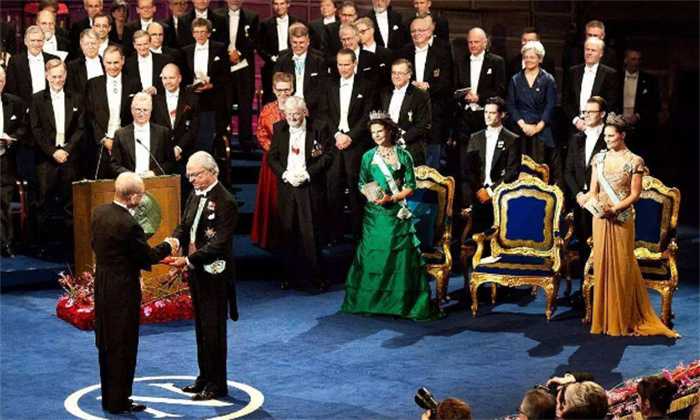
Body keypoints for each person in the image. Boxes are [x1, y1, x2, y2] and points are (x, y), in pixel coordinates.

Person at [576, 114, 678, 338]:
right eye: (605, 136)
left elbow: (635, 195)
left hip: (621, 218)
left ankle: (621, 318)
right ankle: (603, 318)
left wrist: (615, 208)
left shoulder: (634, 161)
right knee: (602, 265)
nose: (607, 139)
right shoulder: (599, 159)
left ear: (622, 135)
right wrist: (583, 198)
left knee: (621, 266)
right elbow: (593, 191)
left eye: (611, 136)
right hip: (600, 218)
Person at [91, 172, 176, 414]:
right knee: (123, 344)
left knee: (107, 342)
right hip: (123, 290)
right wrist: (169, 245)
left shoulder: (99, 212)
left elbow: (96, 246)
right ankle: (119, 401)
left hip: (103, 285)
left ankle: (110, 398)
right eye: (142, 194)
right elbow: (146, 256)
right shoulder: (129, 224)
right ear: (133, 197)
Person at [341, 111, 438, 320]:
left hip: (396, 213)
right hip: (374, 215)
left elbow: (411, 186)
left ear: (388, 131)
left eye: (380, 131)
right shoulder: (368, 156)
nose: (376, 135)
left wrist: (392, 198)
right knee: (374, 257)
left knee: (398, 259)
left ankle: (399, 303)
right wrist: (371, 195)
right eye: (373, 132)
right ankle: (372, 302)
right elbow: (361, 182)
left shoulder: (403, 155)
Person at [166, 151, 238, 401]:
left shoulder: (226, 201)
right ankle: (204, 376)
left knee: (213, 329)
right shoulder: (194, 194)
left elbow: (219, 244)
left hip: (215, 274)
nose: (191, 180)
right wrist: (173, 241)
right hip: (197, 272)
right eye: (189, 175)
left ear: (211, 172)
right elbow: (184, 225)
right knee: (201, 329)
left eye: (195, 175)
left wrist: (187, 260)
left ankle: (217, 383)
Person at [267, 96, 334, 291]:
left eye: (296, 114)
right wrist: (285, 174)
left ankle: (316, 278)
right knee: (288, 231)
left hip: (310, 186)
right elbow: (272, 157)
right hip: (287, 186)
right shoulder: (279, 128)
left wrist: (308, 174)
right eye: (289, 114)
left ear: (304, 112)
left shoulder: (319, 127)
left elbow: (328, 155)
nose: (292, 118)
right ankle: (289, 277)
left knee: (310, 232)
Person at [30, 59, 83, 243]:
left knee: (70, 203)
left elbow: (81, 128)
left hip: (69, 157)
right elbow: (36, 129)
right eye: (53, 77)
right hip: (46, 158)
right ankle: (43, 245)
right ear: (47, 76)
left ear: (66, 75)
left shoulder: (76, 98)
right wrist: (53, 151)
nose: (57, 80)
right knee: (43, 202)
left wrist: (66, 150)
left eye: (60, 76)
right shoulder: (37, 99)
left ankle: (70, 245)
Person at [324, 48, 374, 244]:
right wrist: (337, 134)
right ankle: (334, 235)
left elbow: (367, 116)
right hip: (335, 143)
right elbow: (325, 113)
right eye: (340, 64)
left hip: (356, 144)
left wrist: (350, 137)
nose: (343, 68)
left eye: (347, 64)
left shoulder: (367, 85)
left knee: (356, 191)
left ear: (355, 64)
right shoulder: (329, 84)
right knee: (333, 189)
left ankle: (358, 235)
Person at [460, 96, 520, 234]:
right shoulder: (475, 137)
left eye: (492, 113)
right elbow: (468, 169)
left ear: (502, 115)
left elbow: (512, 172)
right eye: (486, 112)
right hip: (478, 195)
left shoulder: (512, 139)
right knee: (477, 235)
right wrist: (479, 190)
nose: (487, 116)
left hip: (501, 195)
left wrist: (491, 191)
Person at [399, 15, 453, 169]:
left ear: (430, 32)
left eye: (421, 30)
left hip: (434, 114)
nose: (417, 34)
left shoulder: (441, 53)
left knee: (432, 162)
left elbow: (447, 82)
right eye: (413, 31)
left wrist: (428, 86)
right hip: (409, 115)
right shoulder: (404, 52)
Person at [564, 96, 607, 278]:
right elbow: (568, 171)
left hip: (601, 200)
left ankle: (601, 284)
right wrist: (579, 195)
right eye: (584, 112)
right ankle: (585, 285)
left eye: (591, 112)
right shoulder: (576, 139)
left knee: (600, 243)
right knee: (583, 242)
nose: (586, 116)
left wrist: (592, 194)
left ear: (602, 114)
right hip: (581, 201)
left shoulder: (608, 138)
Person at [506, 40, 559, 182]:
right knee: (516, 167)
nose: (528, 60)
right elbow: (511, 104)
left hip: (541, 129)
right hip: (519, 129)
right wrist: (523, 125)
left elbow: (550, 105)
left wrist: (538, 127)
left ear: (540, 59)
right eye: (526, 57)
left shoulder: (548, 79)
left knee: (539, 168)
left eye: (532, 57)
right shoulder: (515, 79)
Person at [85, 45, 140, 179]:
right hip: (100, 146)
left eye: (116, 62)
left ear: (123, 61)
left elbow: (137, 114)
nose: (112, 66)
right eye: (109, 63)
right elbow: (89, 116)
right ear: (103, 62)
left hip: (127, 143)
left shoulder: (134, 83)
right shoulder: (93, 84)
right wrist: (104, 139)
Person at [250, 71, 291, 250]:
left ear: (292, 89)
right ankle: (270, 238)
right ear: (274, 90)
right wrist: (275, 152)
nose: (283, 94)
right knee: (271, 200)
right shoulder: (267, 109)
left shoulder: (299, 106)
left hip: (294, 160)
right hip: (272, 162)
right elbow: (261, 134)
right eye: (280, 90)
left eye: (287, 90)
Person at [217, 0, 259, 153]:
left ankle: (246, 142)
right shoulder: (216, 15)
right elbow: (215, 39)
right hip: (224, 68)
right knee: (224, 105)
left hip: (244, 68)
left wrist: (239, 53)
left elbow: (254, 40)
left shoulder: (252, 17)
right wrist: (227, 55)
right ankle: (222, 142)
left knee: (245, 106)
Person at [379, 58, 431, 166]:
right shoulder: (384, 93)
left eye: (400, 73)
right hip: (386, 149)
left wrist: (401, 139)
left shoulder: (420, 95)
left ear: (409, 75)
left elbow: (423, 124)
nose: (396, 76)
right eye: (394, 73)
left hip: (411, 149)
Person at [110, 91, 176, 176]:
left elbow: (170, 162)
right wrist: (130, 175)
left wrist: (154, 173)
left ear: (151, 111)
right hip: (130, 181)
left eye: (145, 110)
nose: (142, 114)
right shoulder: (120, 134)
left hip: (155, 180)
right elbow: (114, 164)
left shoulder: (162, 132)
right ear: (132, 110)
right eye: (138, 110)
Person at [563, 37, 619, 133]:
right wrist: (576, 120)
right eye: (587, 49)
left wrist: (596, 121)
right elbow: (566, 100)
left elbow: (611, 103)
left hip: (599, 127)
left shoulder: (609, 74)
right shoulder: (573, 72)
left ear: (601, 54)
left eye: (593, 50)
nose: (589, 53)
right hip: (576, 126)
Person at [0, 66, 28, 258]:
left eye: (1, 81)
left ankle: (5, 244)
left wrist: (11, 138)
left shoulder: (14, 102)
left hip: (5, 160)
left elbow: (24, 127)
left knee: (4, 202)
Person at [273, 23, 329, 117]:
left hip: (313, 109)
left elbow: (322, 88)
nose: (298, 46)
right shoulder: (282, 59)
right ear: (290, 42)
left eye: (301, 42)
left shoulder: (319, 60)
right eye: (295, 42)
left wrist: (304, 107)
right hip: (287, 108)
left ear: (308, 42)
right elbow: (278, 85)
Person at [619, 47, 660, 161]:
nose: (636, 62)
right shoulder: (616, 77)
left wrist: (638, 116)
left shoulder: (650, 80)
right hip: (619, 126)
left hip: (641, 127)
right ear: (626, 60)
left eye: (638, 59)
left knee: (639, 159)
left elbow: (655, 103)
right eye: (633, 59)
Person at [258, 0, 303, 104]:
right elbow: (260, 46)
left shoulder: (297, 23)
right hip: (272, 66)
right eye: (276, 4)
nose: (279, 7)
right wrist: (271, 58)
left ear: (288, 4)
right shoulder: (265, 24)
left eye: (282, 3)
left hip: (294, 63)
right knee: (271, 98)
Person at [123, 30, 170, 95]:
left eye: (145, 44)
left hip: (158, 98)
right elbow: (127, 86)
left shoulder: (164, 60)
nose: (142, 48)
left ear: (150, 43)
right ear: (134, 45)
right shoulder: (128, 64)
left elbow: (169, 82)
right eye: (139, 45)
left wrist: (156, 90)